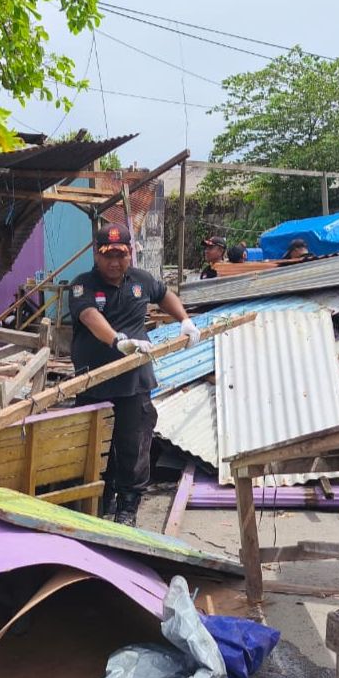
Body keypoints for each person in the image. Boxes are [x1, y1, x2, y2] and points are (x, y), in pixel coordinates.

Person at [68, 223, 199, 528]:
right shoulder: (82, 284)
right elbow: (89, 315)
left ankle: (128, 506)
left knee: (133, 446)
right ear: (96, 255)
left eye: (121, 255)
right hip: (93, 382)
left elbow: (165, 293)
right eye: (107, 256)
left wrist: (184, 319)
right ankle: (101, 498)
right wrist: (117, 340)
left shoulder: (141, 280)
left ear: (130, 253)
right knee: (94, 447)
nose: (114, 262)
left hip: (133, 383)